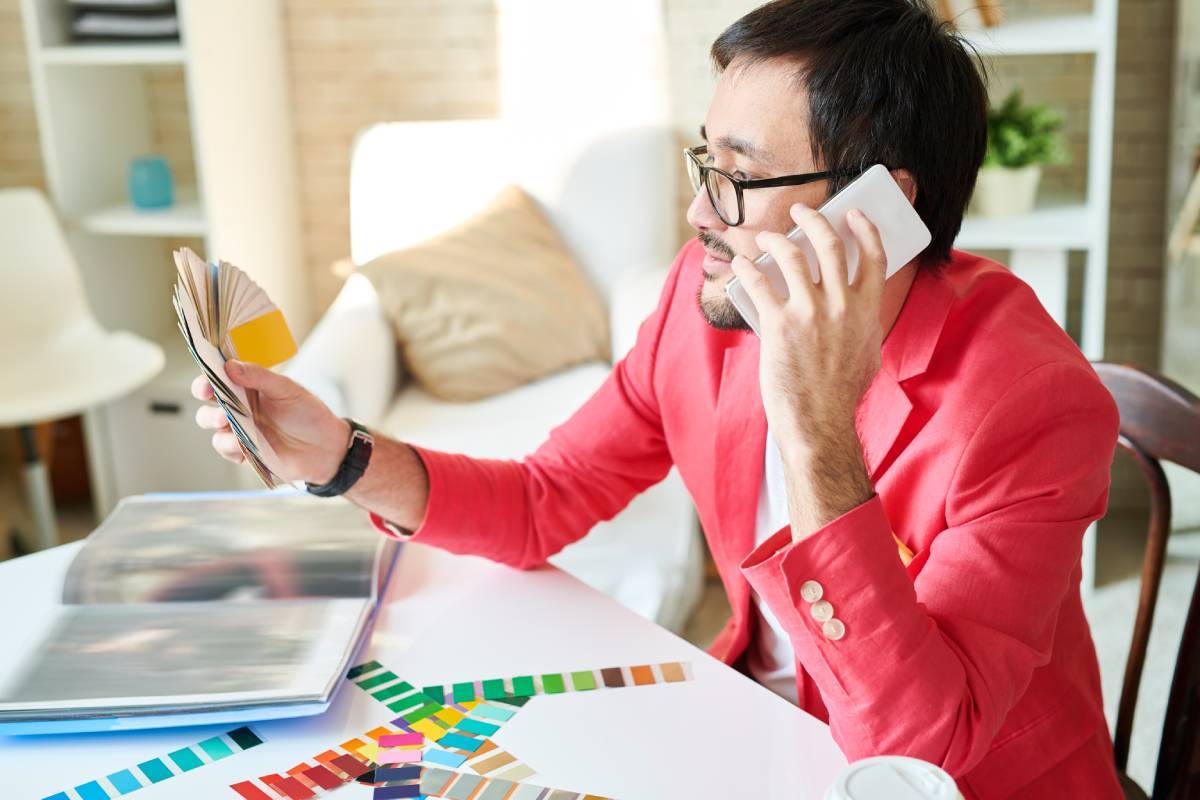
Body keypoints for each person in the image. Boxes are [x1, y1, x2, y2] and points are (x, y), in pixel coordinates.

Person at [192, 1, 1123, 795]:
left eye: (738, 177)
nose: (698, 215)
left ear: (874, 215)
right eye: (702, 162)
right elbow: (541, 500)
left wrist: (814, 421)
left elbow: (917, 753)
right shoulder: (702, 302)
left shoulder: (1029, 405)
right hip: (770, 735)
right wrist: (343, 455)